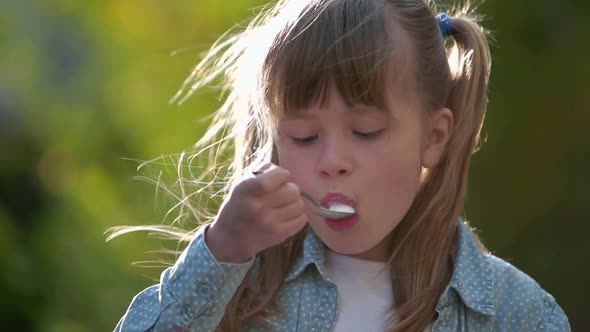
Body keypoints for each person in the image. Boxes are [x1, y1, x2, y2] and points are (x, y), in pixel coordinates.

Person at [112, 0, 571, 331]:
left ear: (433, 138)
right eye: (305, 137)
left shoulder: (519, 314)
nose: (332, 163)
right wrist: (220, 253)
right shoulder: (238, 288)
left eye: (366, 131)